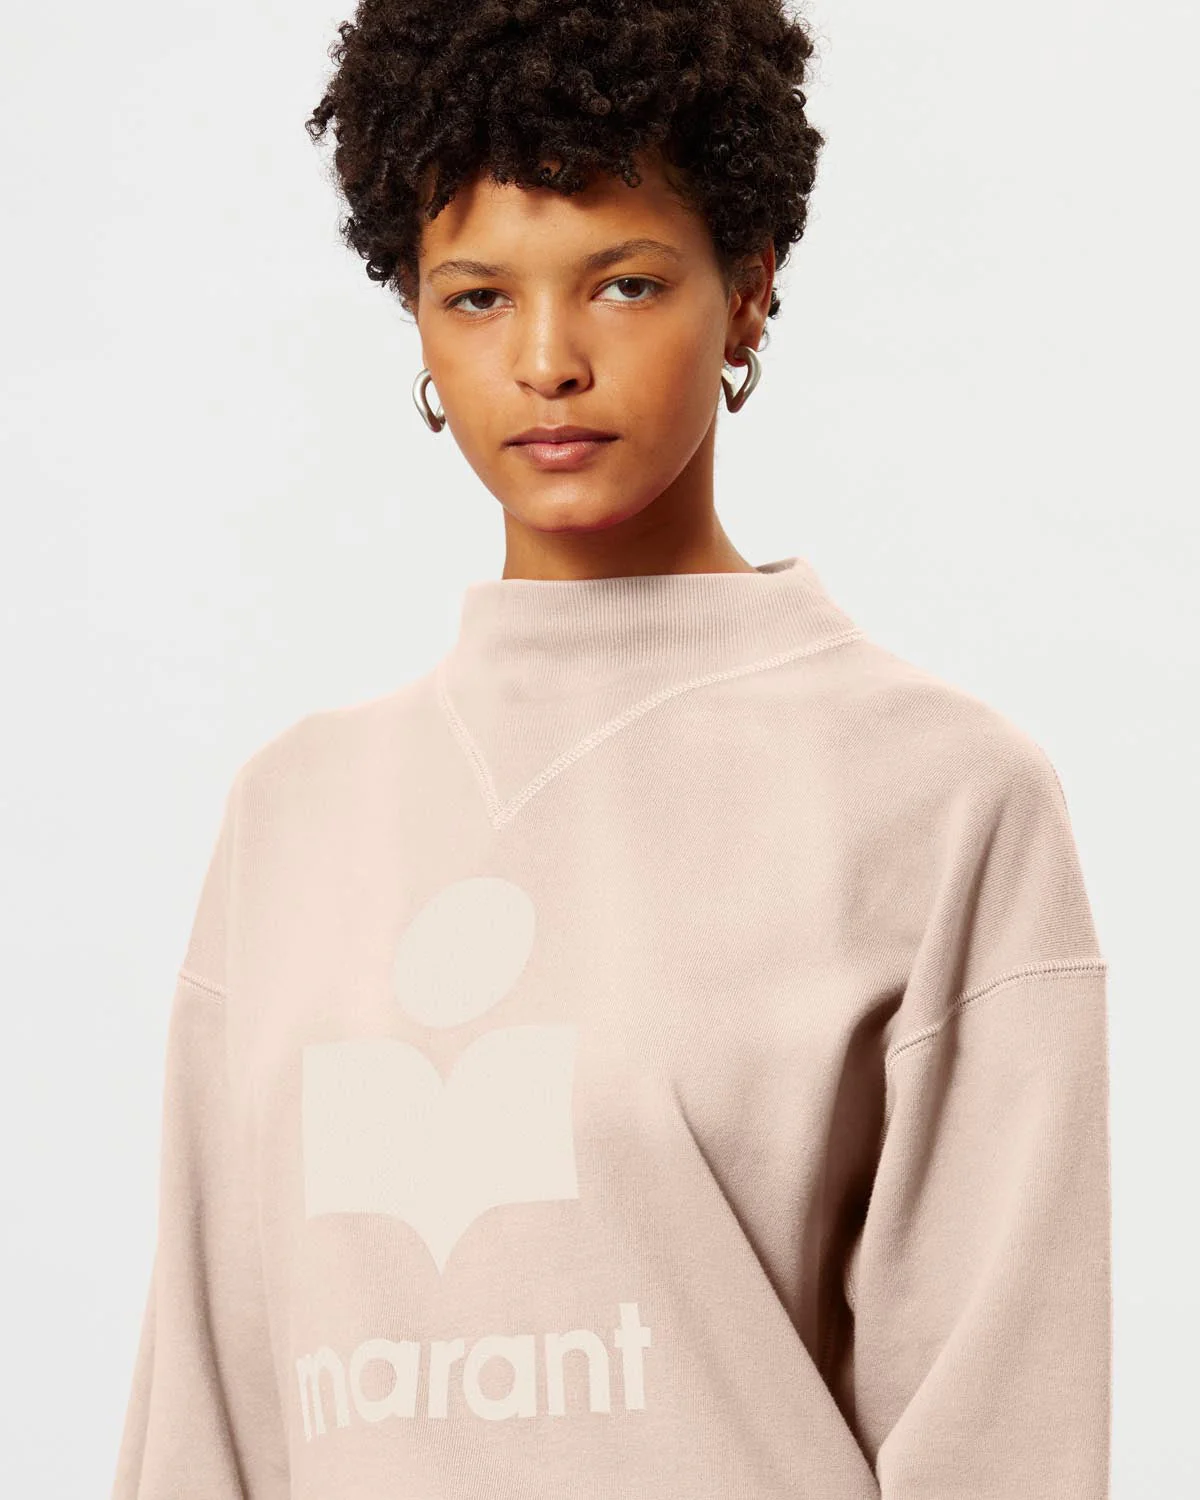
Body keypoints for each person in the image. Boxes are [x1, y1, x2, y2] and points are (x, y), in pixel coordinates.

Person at [111, 2, 1112, 1496]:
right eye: (475, 297)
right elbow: (203, 1421)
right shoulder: (292, 815)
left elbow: (1001, 1434)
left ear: (748, 290)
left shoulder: (942, 795)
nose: (547, 360)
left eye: (625, 283)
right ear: (417, 319)